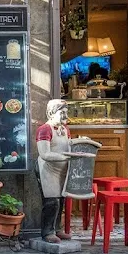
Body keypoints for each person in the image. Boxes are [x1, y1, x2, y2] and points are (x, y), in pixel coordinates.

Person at [36, 99, 72, 243]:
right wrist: (64, 157)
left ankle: (57, 228)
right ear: (51, 114)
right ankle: (47, 231)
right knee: (52, 201)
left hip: (62, 169)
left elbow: (69, 145)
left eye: (66, 113)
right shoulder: (44, 129)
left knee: (61, 199)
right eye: (61, 113)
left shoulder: (65, 129)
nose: (65, 116)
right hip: (47, 170)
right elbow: (45, 154)